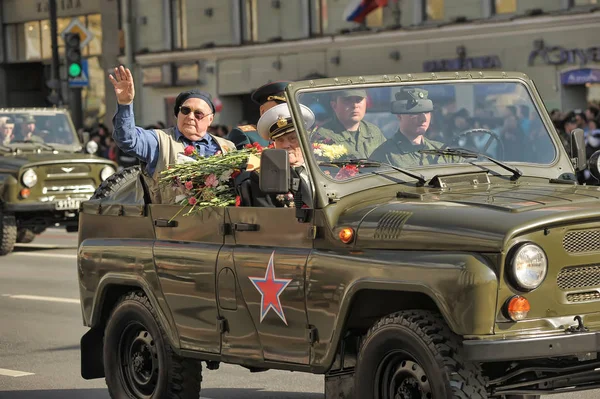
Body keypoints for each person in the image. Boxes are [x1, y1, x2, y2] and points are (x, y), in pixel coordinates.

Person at [108, 65, 235, 204]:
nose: (191, 117)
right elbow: (127, 139)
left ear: (210, 119)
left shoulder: (227, 147)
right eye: (186, 111)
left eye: (198, 114)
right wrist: (125, 103)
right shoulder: (160, 141)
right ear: (177, 114)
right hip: (169, 223)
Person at [235, 103, 315, 208]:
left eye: (292, 138)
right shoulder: (262, 177)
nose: (286, 145)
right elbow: (269, 217)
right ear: (274, 144)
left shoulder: (324, 169)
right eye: (280, 140)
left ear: (305, 140)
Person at [371, 88, 450, 167]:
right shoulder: (384, 156)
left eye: (426, 112)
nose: (424, 119)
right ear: (399, 115)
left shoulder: (442, 151)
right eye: (415, 113)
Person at [312, 89, 386, 159]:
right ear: (334, 105)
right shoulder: (323, 135)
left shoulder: (374, 132)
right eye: (347, 100)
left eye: (359, 100)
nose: (355, 105)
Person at [227, 81, 291, 150]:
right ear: (262, 111)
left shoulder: (297, 133)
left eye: (288, 108)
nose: (285, 112)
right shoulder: (246, 135)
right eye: (279, 108)